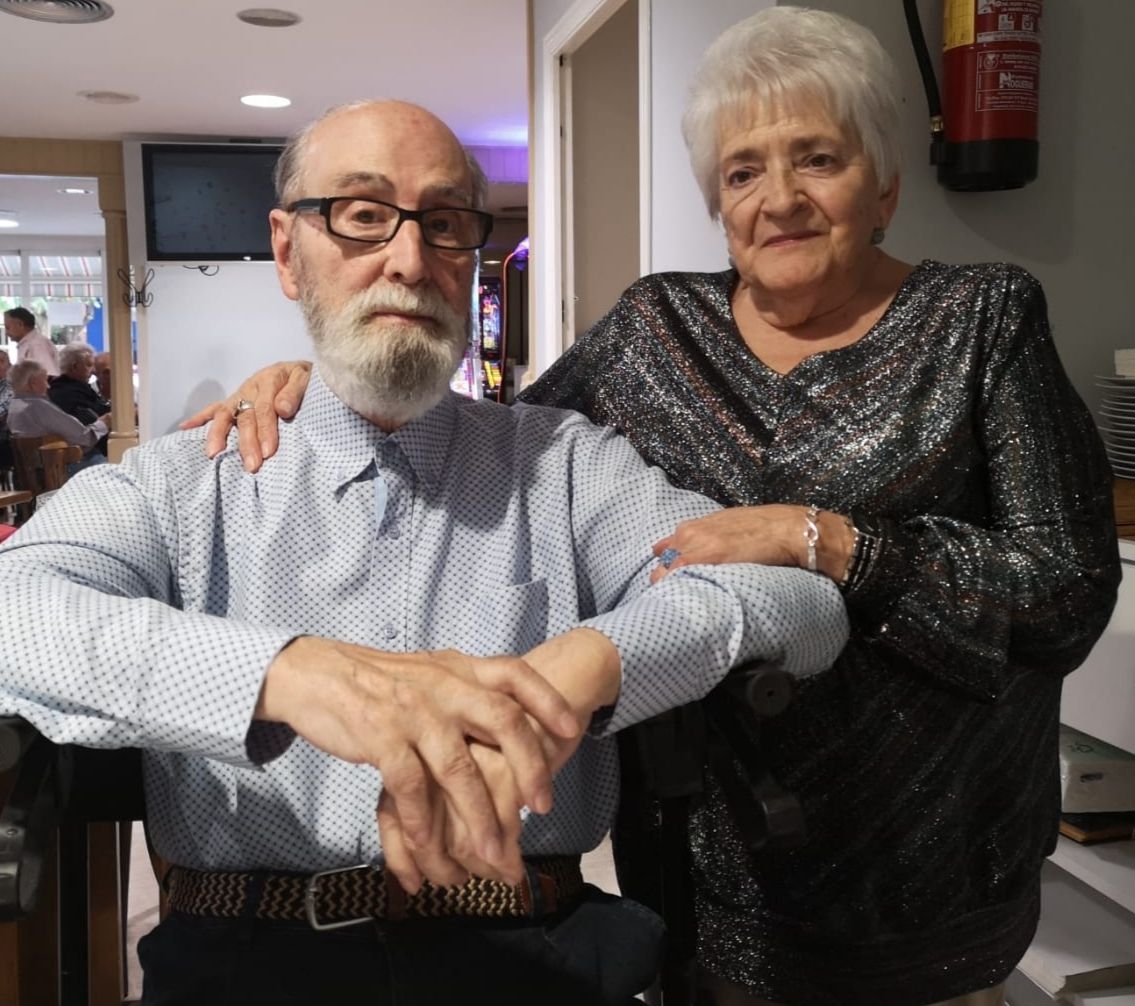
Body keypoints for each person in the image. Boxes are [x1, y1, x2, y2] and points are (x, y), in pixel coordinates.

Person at [208, 9, 1120, 1006]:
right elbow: (483, 445)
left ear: (884, 185)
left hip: (925, 870)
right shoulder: (657, 327)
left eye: (816, 158)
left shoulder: (979, 318)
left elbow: (1066, 593)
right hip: (700, 862)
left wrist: (833, 544)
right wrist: (326, 376)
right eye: (741, 172)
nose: (778, 200)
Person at [0, 99, 848, 1006]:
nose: (408, 259)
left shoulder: (563, 464)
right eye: (363, 216)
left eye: (442, 224)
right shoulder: (184, 480)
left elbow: (801, 609)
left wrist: (584, 667)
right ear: (289, 252)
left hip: (535, 945)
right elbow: (18, 611)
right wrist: (295, 675)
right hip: (248, 956)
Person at [7, 360, 107, 472]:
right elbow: (84, 438)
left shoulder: (14, 407)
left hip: (34, 472)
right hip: (58, 471)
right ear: (33, 383)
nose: (48, 386)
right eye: (45, 380)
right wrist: (104, 423)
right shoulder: (38, 407)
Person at [49, 343, 111, 455]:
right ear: (75, 366)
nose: (93, 371)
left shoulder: (60, 387)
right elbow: (97, 419)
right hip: (80, 455)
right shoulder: (70, 392)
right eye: (89, 365)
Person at [4, 306, 60, 376]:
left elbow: (48, 375)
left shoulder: (36, 345)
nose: (6, 333)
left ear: (20, 324)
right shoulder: (29, 343)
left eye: (7, 327)